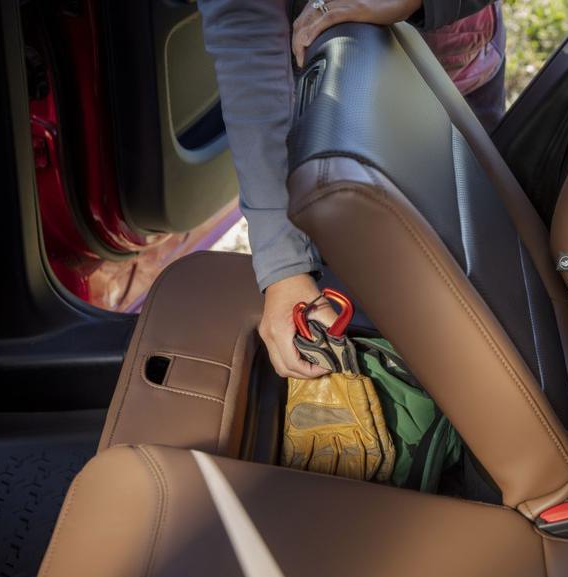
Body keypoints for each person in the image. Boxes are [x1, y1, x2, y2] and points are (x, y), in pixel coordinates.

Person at [197, 0, 504, 380]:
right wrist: (285, 268)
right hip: (345, 123)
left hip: (459, 71)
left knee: (489, 268)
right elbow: (248, 48)